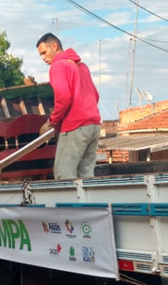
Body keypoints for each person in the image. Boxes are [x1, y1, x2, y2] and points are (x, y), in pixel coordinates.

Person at [36, 33, 101, 180]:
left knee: (63, 175)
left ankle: (68, 203)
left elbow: (64, 97)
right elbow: (95, 96)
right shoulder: (81, 66)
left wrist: (52, 121)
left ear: (54, 46)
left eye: (44, 53)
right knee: (86, 175)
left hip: (75, 127)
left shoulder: (58, 66)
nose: (43, 58)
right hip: (94, 125)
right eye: (40, 55)